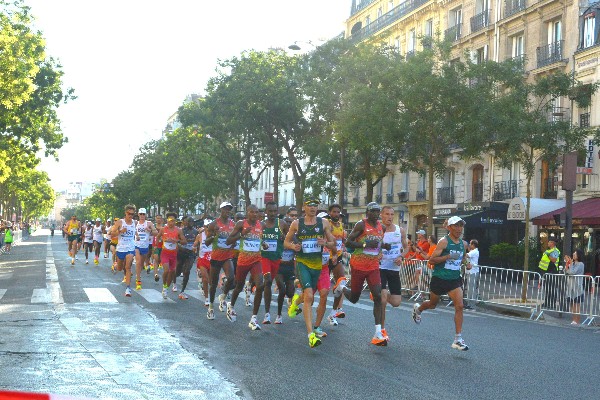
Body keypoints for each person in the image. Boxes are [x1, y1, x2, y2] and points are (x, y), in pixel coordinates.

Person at [412, 216, 470, 351]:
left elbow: (463, 258)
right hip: (440, 278)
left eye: (460, 225)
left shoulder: (463, 244)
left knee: (460, 306)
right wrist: (448, 256)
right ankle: (418, 309)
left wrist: (467, 264)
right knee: (432, 304)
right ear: (449, 227)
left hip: (454, 279)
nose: (459, 228)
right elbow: (431, 260)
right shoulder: (443, 242)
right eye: (455, 225)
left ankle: (458, 339)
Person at [285, 198, 337, 348]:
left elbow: (334, 242)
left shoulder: (324, 223)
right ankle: (311, 335)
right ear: (304, 207)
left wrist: (325, 243)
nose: (313, 208)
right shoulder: (297, 223)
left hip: (317, 265)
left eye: (315, 205)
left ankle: (295, 302)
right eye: (310, 205)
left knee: (315, 295)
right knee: (309, 296)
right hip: (302, 264)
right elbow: (286, 242)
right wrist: (293, 246)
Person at [338, 202, 391, 346]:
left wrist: (384, 246)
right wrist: (364, 245)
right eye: (373, 211)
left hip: (373, 266)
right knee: (354, 298)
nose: (375, 214)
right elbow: (348, 243)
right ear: (367, 212)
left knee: (378, 296)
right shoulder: (361, 225)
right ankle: (341, 287)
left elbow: (377, 244)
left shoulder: (382, 227)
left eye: (377, 211)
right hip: (358, 266)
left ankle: (378, 333)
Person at [226, 204, 265, 330]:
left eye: (256, 212)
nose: (254, 214)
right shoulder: (241, 224)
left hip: (256, 260)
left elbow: (259, 238)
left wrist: (263, 243)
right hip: (243, 261)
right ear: (247, 212)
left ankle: (254, 318)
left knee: (260, 285)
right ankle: (231, 305)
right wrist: (242, 234)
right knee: (239, 286)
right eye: (252, 212)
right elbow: (229, 240)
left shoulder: (261, 225)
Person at [378, 205, 407, 341]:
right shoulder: (377, 231)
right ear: (381, 216)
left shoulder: (400, 230)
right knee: (383, 300)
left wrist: (401, 257)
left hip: (394, 269)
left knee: (396, 302)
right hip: (381, 268)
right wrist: (376, 254)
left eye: (391, 214)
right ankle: (382, 330)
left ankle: (378, 296)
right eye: (387, 214)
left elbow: (406, 248)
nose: (389, 217)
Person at [204, 202, 236, 320]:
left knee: (231, 277)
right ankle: (211, 307)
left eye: (229, 209)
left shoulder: (233, 224)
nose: (227, 211)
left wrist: (234, 242)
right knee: (213, 284)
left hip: (227, 256)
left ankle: (222, 296)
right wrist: (214, 235)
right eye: (225, 209)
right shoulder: (213, 224)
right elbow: (207, 242)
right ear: (220, 210)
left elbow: (234, 239)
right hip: (216, 257)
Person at [260, 201, 288, 325]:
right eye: (270, 211)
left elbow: (290, 237)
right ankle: (267, 314)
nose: (272, 213)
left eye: (274, 211)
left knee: (282, 287)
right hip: (265, 257)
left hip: (277, 259)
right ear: (266, 212)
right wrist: (262, 243)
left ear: (277, 212)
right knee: (268, 281)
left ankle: (279, 314)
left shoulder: (282, 223)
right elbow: (256, 239)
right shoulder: (261, 225)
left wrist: (284, 239)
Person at [274, 207, 298, 324]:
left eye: (291, 223)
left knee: (290, 292)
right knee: (282, 290)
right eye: (287, 222)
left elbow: (298, 251)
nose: (289, 225)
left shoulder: (294, 237)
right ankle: (279, 315)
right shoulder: (278, 236)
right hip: (278, 268)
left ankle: (290, 304)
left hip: (289, 268)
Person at [325, 204, 348, 326]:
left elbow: (341, 241)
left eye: (338, 212)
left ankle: (333, 313)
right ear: (329, 212)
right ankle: (297, 301)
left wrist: (342, 247)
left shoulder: (341, 226)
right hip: (325, 258)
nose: (336, 214)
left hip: (337, 258)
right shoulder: (326, 224)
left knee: (341, 283)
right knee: (319, 289)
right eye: (334, 212)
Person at [109, 205, 138, 297]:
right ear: (125, 213)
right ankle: (116, 265)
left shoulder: (135, 222)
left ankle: (128, 288)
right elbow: (112, 234)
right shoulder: (120, 222)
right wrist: (121, 231)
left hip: (130, 247)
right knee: (120, 268)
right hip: (121, 248)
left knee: (128, 267)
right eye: (129, 214)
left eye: (132, 214)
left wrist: (138, 236)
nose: (130, 216)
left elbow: (136, 231)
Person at [156, 212, 187, 299]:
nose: (171, 222)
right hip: (165, 253)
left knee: (172, 272)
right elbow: (158, 237)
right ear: (167, 220)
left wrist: (176, 241)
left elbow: (184, 241)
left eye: (173, 221)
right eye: (170, 220)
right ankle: (163, 286)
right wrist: (158, 243)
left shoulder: (178, 230)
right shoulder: (163, 229)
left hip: (173, 254)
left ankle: (165, 288)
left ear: (175, 221)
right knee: (166, 270)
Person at [133, 208, 158, 290]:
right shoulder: (135, 223)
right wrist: (136, 235)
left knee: (141, 264)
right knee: (138, 262)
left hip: (145, 246)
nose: (142, 216)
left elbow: (156, 233)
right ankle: (138, 280)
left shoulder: (149, 223)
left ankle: (138, 274)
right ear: (138, 214)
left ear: (145, 215)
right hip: (136, 245)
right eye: (141, 214)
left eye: (143, 214)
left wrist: (149, 230)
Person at [175, 217, 198, 300]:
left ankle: (182, 291)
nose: (191, 223)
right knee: (177, 272)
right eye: (189, 221)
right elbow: (177, 242)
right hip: (181, 253)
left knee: (187, 271)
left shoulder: (196, 231)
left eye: (192, 221)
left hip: (191, 254)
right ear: (185, 222)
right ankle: (174, 281)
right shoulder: (181, 231)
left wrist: (196, 250)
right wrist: (182, 248)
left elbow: (198, 242)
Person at [564, 249, 585, 325]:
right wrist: (568, 264)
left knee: (577, 304)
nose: (573, 254)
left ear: (579, 255)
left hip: (577, 287)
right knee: (572, 304)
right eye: (573, 253)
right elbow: (566, 272)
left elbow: (572, 272)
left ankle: (577, 320)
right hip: (570, 287)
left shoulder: (580, 264)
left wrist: (570, 264)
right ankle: (573, 320)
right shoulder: (572, 263)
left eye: (575, 254)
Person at [539, 238, 561, 309]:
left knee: (551, 288)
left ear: (552, 243)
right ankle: (547, 302)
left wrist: (548, 254)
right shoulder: (548, 250)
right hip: (546, 271)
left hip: (551, 271)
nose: (548, 243)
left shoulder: (555, 251)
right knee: (547, 288)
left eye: (549, 242)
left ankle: (551, 303)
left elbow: (554, 260)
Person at [194, 225, 212, 307]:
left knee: (211, 281)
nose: (208, 228)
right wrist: (193, 247)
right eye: (207, 227)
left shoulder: (215, 235)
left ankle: (208, 293)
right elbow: (195, 244)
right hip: (202, 259)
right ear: (204, 227)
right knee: (205, 278)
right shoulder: (200, 235)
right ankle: (207, 299)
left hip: (212, 260)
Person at [464, 239, 480, 310]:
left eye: (470, 244)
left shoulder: (474, 252)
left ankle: (472, 305)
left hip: (473, 272)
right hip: (470, 272)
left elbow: (466, 255)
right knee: (469, 289)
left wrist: (463, 248)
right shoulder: (473, 251)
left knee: (472, 289)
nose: (469, 245)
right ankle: (469, 304)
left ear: (473, 245)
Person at [151, 214, 164, 282]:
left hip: (163, 246)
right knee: (156, 259)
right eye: (157, 218)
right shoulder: (153, 227)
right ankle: (156, 274)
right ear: (155, 219)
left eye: (160, 218)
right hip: (155, 245)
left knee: (160, 260)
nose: (158, 219)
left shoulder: (164, 227)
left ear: (162, 219)